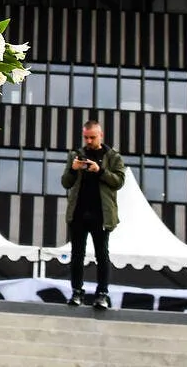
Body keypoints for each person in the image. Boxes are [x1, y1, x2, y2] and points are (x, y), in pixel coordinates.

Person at [61, 120, 125, 310]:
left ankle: (102, 294)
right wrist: (73, 169)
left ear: (100, 135)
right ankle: (77, 292)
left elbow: (119, 181)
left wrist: (100, 170)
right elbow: (66, 182)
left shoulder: (112, 156)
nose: (89, 141)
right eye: (86, 137)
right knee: (77, 255)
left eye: (92, 137)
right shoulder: (76, 155)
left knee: (102, 255)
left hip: (101, 215)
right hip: (78, 213)